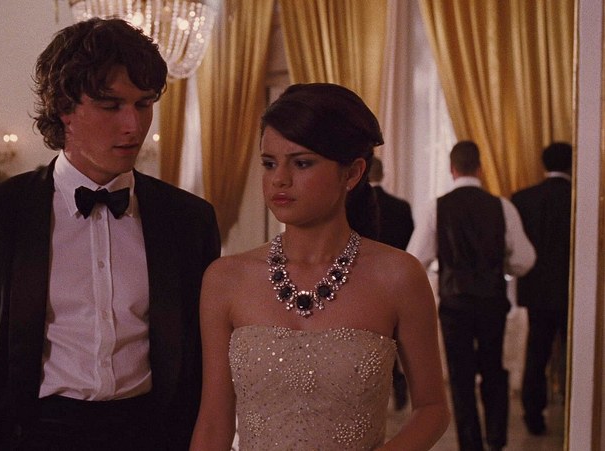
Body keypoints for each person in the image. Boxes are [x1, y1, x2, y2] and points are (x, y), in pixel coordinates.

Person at [0, 17, 221, 451]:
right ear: (64, 108)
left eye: (144, 104)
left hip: (152, 437)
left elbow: (205, 360)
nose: (134, 125)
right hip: (33, 437)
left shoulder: (188, 220)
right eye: (111, 106)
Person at [190, 83, 449, 450]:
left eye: (302, 163)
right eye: (269, 163)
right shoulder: (226, 279)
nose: (279, 179)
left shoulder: (399, 277)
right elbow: (214, 419)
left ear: (352, 173)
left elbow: (432, 408)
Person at [407, 140, 536, 451]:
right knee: (494, 369)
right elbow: (524, 259)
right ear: (480, 168)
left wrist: (440, 268)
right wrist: (501, 266)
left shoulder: (437, 207)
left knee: (461, 376)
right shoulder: (502, 207)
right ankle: (497, 439)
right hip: (492, 300)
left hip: (455, 302)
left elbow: (415, 258)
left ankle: (471, 444)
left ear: (452, 169)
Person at [511, 142, 572, 436]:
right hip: (573, 291)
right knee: (575, 355)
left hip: (536, 290)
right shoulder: (581, 197)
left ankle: (533, 414)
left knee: (536, 353)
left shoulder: (523, 199)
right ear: (571, 165)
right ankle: (575, 411)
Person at [369, 155, 414, 411]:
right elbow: (409, 247)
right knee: (396, 336)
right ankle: (399, 384)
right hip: (395, 280)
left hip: (364, 281)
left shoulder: (350, 207)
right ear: (383, 174)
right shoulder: (401, 207)